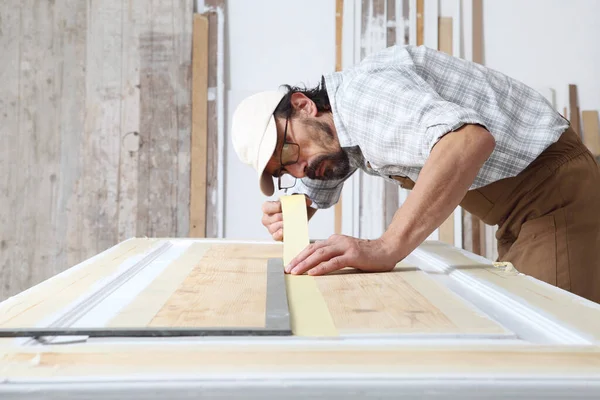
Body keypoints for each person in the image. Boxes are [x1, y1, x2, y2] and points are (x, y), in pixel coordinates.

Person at [231, 44, 600, 304]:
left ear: (303, 105)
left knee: (552, 355)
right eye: (286, 170)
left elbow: (468, 141)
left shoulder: (365, 99)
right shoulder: (339, 130)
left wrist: (385, 247)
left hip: (556, 197)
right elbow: (326, 163)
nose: (300, 168)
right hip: (518, 214)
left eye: (289, 150)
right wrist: (302, 206)